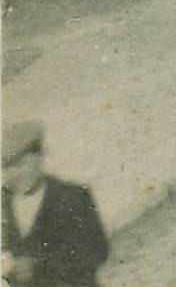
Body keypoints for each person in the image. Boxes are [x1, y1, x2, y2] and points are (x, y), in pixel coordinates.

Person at [1, 121, 108, 287]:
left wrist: (37, 265)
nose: (16, 174)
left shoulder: (72, 196)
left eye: (23, 164)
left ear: (39, 158)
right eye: (8, 167)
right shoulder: (3, 204)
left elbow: (97, 251)